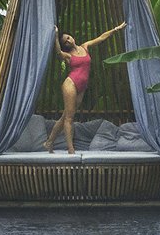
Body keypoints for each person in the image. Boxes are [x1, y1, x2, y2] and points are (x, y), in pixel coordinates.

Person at [43, 22, 125, 152]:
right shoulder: (68, 56)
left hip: (82, 87)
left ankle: (49, 142)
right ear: (65, 45)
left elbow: (101, 38)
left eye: (68, 37)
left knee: (65, 116)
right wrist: (56, 36)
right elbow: (58, 52)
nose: (68, 41)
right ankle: (71, 149)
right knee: (69, 118)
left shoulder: (84, 46)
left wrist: (116, 29)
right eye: (65, 41)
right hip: (71, 84)